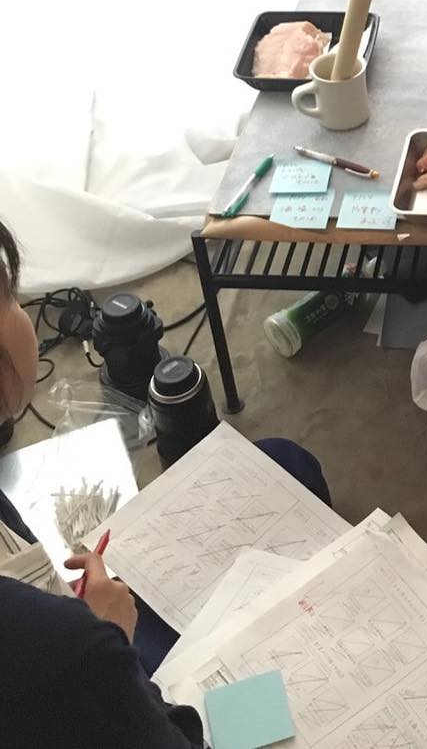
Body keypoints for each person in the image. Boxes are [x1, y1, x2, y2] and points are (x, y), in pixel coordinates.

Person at [0, 220, 329, 747]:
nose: (22, 314)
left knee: (283, 462)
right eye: (11, 297)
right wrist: (110, 633)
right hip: (118, 685)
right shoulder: (72, 650)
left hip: (76, 645)